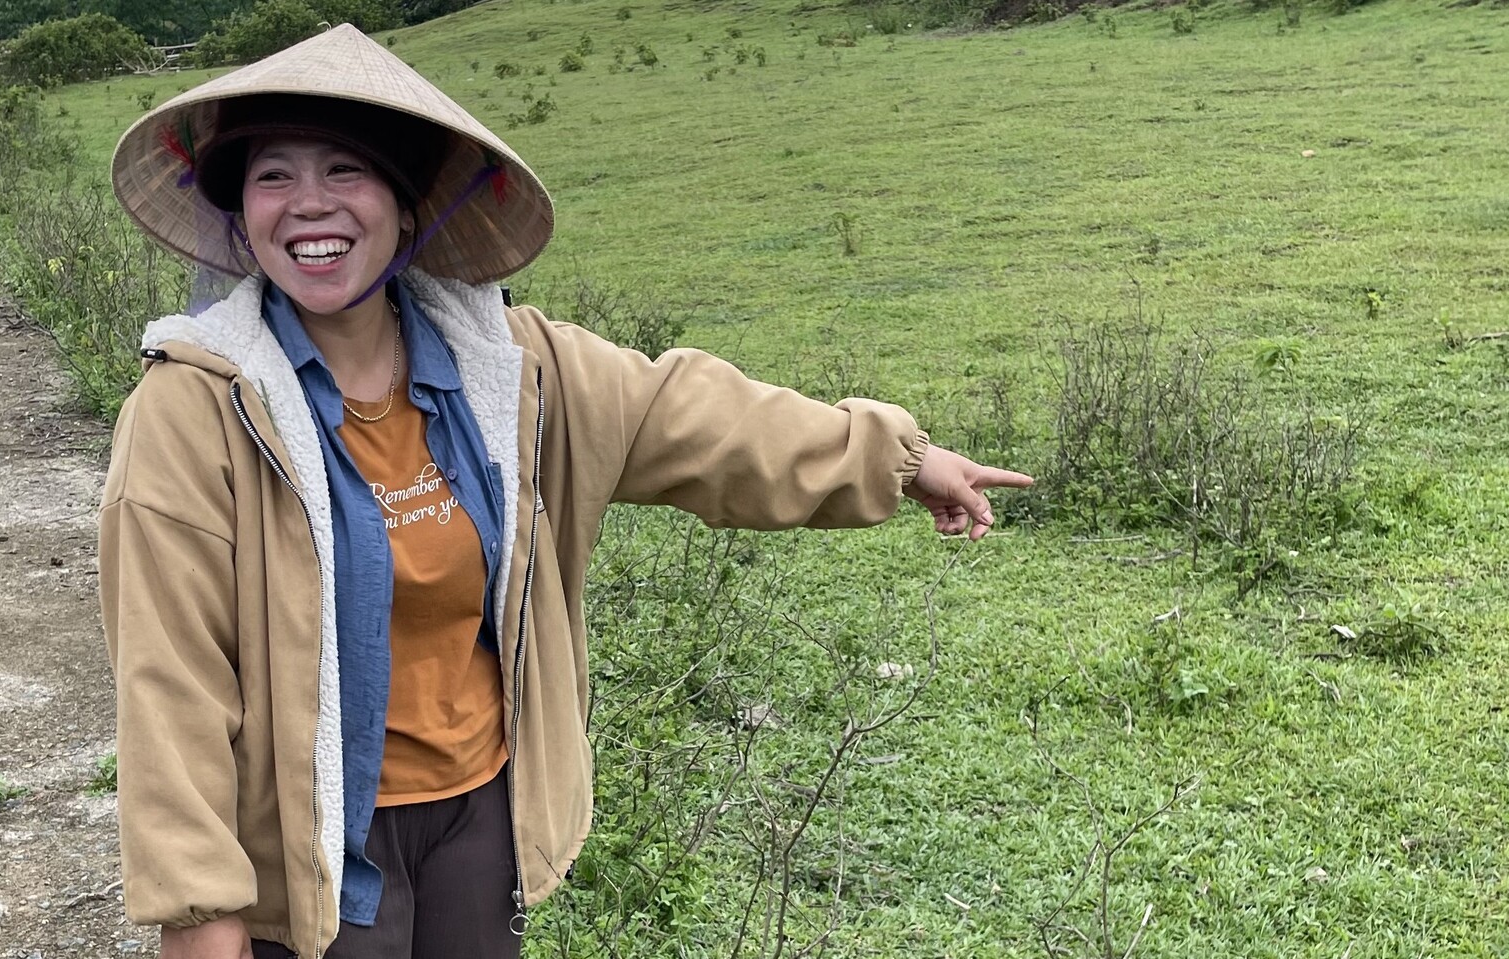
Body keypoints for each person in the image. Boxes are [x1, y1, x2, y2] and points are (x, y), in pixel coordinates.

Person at [98, 24, 1032, 959]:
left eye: (346, 170)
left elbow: (691, 414)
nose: (309, 205)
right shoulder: (194, 411)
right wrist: (199, 915)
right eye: (273, 175)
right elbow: (171, 686)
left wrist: (899, 459)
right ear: (241, 209)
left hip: (478, 815)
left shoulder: (508, 370)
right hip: (313, 848)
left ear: (403, 202)